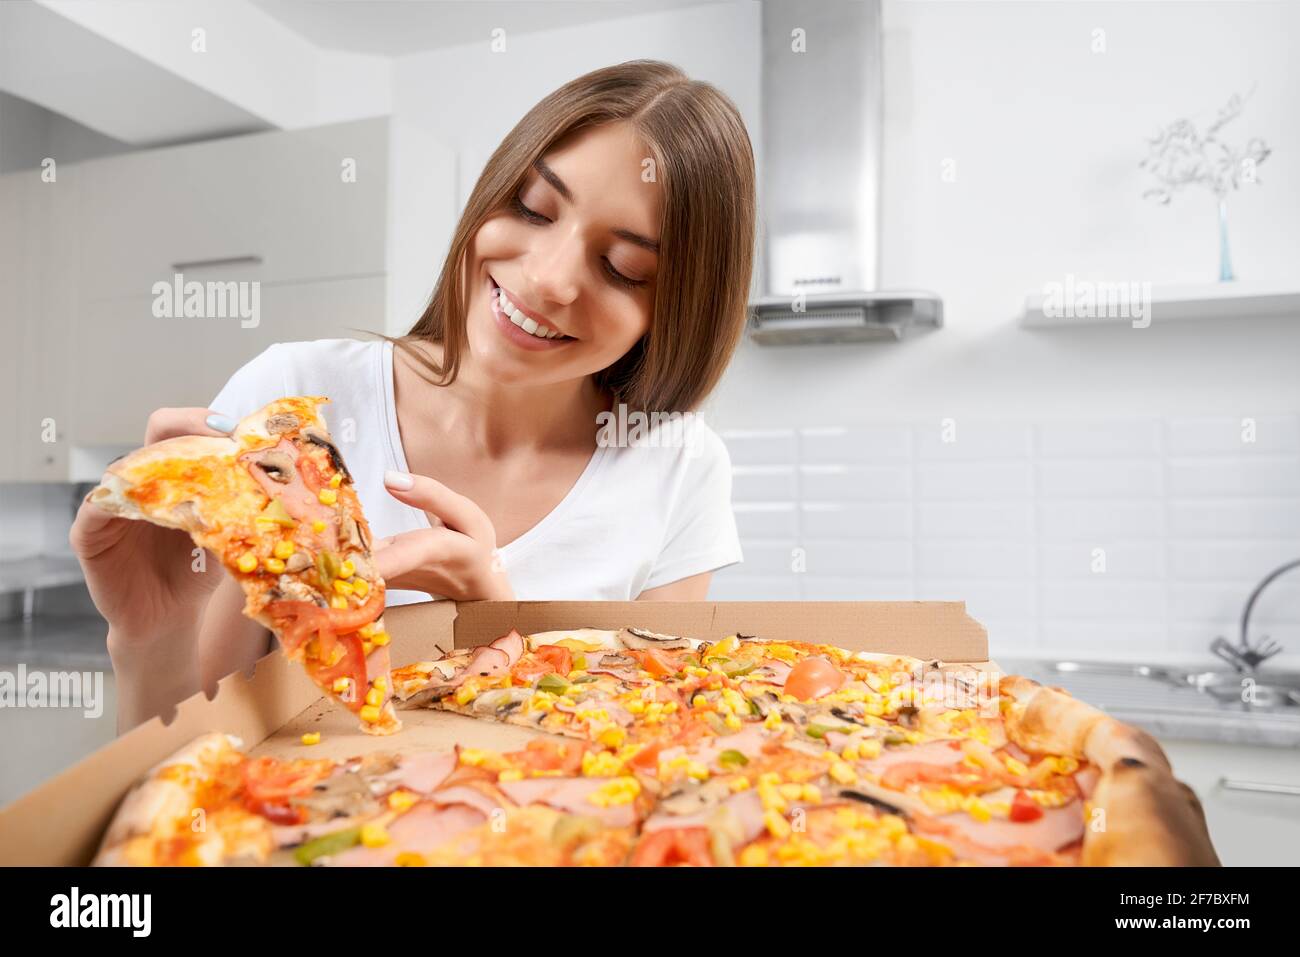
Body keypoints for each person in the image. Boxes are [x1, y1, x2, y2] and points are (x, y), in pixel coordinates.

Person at [70, 60, 757, 732]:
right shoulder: (289, 394)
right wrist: (152, 638)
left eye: (621, 266)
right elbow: (185, 766)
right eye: (533, 207)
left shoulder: (679, 464)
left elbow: (655, 753)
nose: (549, 277)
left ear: (677, 311)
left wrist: (493, 625)